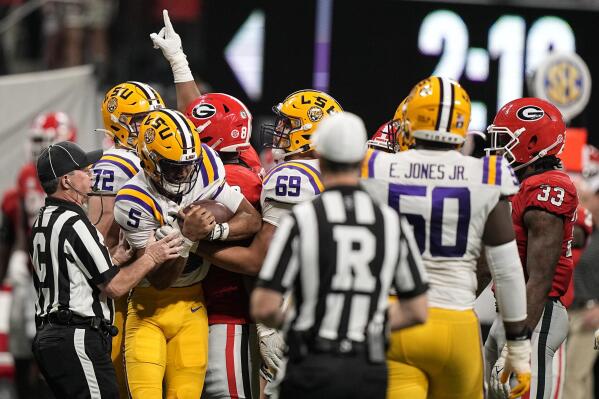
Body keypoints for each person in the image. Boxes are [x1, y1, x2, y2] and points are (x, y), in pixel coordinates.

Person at [362, 77, 531, 399]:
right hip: (455, 322)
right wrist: (519, 346)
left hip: (392, 318)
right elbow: (507, 270)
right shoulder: (487, 173)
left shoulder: (373, 167)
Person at [252, 112, 429, 399]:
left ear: (320, 157)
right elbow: (417, 310)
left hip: (311, 361)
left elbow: (265, 306)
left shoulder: (303, 218)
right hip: (366, 366)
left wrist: (308, 320)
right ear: (362, 159)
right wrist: (365, 322)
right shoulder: (389, 221)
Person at [113, 108, 262, 398]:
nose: (183, 173)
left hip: (193, 303)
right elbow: (159, 280)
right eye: (173, 166)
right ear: (149, 159)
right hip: (147, 308)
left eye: (188, 164)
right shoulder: (134, 201)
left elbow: (251, 219)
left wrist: (213, 233)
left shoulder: (205, 165)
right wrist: (186, 235)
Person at [30, 141, 182, 398]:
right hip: (76, 336)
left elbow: (72, 275)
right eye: (85, 171)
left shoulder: (43, 219)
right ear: (66, 180)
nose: (92, 175)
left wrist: (116, 259)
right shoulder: (75, 222)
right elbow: (115, 287)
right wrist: (152, 257)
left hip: (51, 336)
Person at [485, 97, 577, 399]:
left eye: (505, 141)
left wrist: (518, 342)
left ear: (534, 143)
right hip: (511, 314)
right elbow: (489, 262)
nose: (498, 150)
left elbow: (540, 279)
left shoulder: (548, 187)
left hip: (535, 317)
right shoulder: (519, 186)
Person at [89, 80, 165, 398]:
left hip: (148, 287)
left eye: (153, 116)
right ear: (117, 121)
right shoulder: (115, 164)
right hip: (122, 290)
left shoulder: (149, 156)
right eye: (138, 119)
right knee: (119, 381)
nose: (148, 125)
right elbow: (100, 233)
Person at [185, 93, 263, 398]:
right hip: (205, 314)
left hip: (226, 315)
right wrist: (179, 63)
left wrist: (192, 240)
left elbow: (194, 224)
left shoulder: (232, 179)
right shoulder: (247, 161)